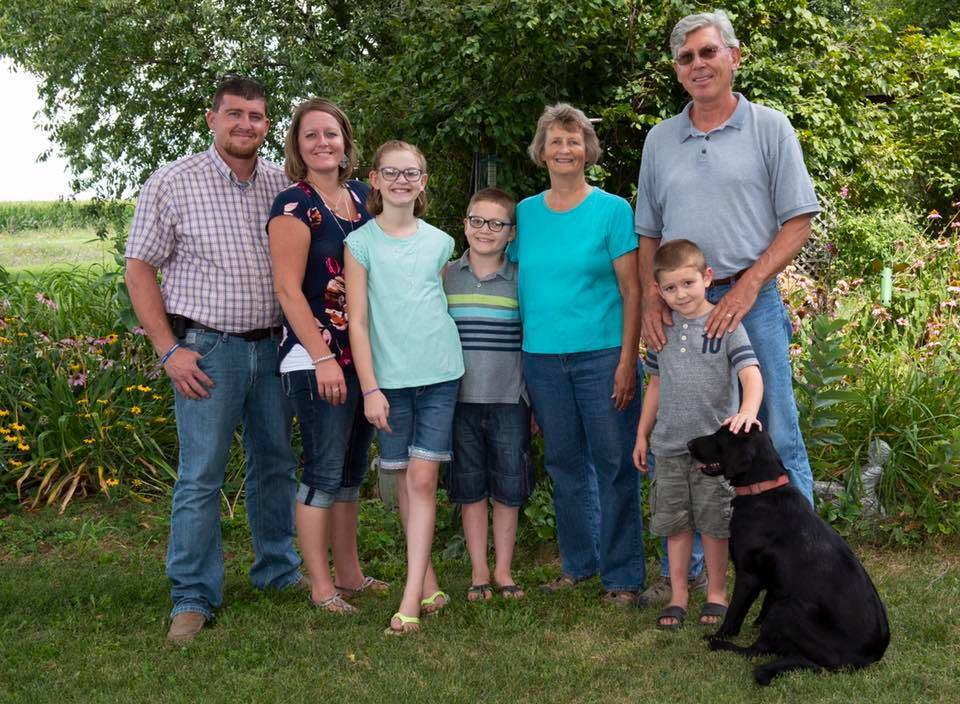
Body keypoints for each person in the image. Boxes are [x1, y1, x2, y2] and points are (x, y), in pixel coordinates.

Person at [125, 76, 303, 643]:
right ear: (212, 118)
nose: (245, 124)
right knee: (201, 476)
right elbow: (139, 268)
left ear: (268, 125)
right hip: (207, 350)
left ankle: (278, 572)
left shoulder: (283, 185)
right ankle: (193, 596)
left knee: (275, 464)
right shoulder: (174, 183)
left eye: (256, 115)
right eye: (234, 114)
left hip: (275, 347)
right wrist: (168, 349)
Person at [635, 10, 820, 506]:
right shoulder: (659, 140)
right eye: (686, 57)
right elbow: (648, 234)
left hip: (750, 303)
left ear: (734, 57)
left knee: (776, 430)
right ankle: (693, 570)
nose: (698, 64)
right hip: (680, 309)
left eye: (708, 51)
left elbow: (799, 221)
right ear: (677, 70)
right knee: (691, 437)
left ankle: (805, 559)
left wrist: (749, 284)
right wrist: (654, 303)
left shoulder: (770, 128)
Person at [513, 103, 645, 605]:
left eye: (573, 140)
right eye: (555, 141)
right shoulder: (525, 213)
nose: (564, 149)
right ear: (541, 151)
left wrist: (627, 361)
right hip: (542, 360)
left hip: (602, 356)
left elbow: (633, 291)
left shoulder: (613, 210)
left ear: (587, 149)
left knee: (614, 466)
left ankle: (623, 577)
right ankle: (579, 564)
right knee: (565, 465)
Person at [267, 98, 388, 614]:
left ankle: (352, 574)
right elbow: (289, 292)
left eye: (331, 134)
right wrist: (321, 358)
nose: (322, 143)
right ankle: (320, 585)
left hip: (361, 355)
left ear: (345, 142)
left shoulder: (364, 198)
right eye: (311, 135)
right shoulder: (293, 205)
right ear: (297, 145)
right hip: (316, 359)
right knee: (322, 472)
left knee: (349, 474)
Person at [344, 140, 464, 634]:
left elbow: (436, 301)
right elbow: (358, 323)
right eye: (390, 172)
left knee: (422, 481)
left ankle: (410, 598)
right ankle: (431, 583)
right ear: (373, 178)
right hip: (388, 383)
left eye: (410, 172)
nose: (400, 180)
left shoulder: (440, 242)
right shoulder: (360, 244)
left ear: (423, 182)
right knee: (401, 482)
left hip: (439, 373)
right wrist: (370, 389)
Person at [632, 239, 762, 629]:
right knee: (676, 525)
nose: (680, 294)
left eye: (688, 283)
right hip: (669, 447)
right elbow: (654, 385)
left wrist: (747, 413)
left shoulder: (725, 324)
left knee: (715, 524)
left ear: (707, 277)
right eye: (670, 288)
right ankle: (678, 595)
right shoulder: (662, 331)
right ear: (658, 291)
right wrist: (642, 435)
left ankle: (717, 595)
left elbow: (751, 375)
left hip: (715, 454)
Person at [444, 187, 533, 602]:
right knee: (470, 486)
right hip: (458, 400)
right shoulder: (445, 275)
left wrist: (529, 397)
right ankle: (479, 569)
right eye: (477, 220)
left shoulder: (521, 280)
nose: (485, 229)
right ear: (464, 224)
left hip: (508, 399)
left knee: (509, 487)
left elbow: (531, 338)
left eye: (497, 223)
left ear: (511, 233)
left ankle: (503, 569)